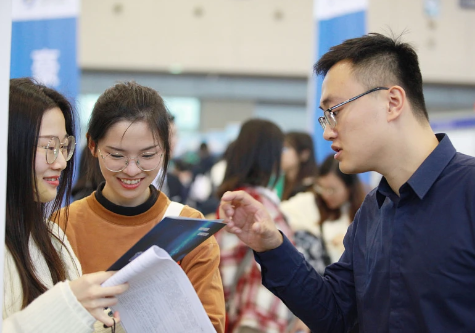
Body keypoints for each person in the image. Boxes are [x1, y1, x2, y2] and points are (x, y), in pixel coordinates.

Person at [220, 33, 475, 332]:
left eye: (335, 112)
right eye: (325, 117)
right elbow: (335, 314)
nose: (328, 132)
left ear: (392, 102)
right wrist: (272, 245)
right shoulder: (373, 211)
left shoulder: (467, 191)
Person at [57, 81, 225, 332]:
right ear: (92, 145)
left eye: (148, 155)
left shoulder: (189, 229)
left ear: (166, 148)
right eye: (116, 155)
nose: (132, 169)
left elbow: (210, 324)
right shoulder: (62, 226)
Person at [4, 78, 128, 332]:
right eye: (49, 146)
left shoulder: (52, 237)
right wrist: (68, 305)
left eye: (63, 146)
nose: (60, 162)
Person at [215, 118, 294, 333]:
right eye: (282, 149)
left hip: (222, 317)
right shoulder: (260, 208)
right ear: (271, 155)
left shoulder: (230, 201)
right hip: (252, 323)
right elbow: (265, 278)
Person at [281, 154, 366, 265]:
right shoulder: (308, 202)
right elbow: (278, 214)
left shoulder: (364, 210)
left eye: (332, 190)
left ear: (350, 187)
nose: (325, 195)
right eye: (321, 187)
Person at [280, 131, 319, 201]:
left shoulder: (310, 188)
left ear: (304, 154)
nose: (280, 153)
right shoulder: (279, 182)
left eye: (286, 149)